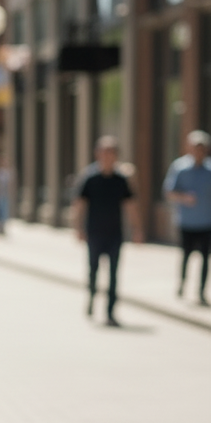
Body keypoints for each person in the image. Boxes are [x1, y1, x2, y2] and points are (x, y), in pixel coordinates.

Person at [73, 136, 143, 326]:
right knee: (93, 270)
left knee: (113, 274)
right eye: (104, 152)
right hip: (94, 232)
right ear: (97, 154)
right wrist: (78, 228)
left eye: (111, 153)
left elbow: (130, 205)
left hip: (115, 234)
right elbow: (79, 204)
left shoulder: (121, 180)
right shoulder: (90, 178)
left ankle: (110, 312)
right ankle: (92, 297)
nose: (107, 156)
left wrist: (137, 229)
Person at [163, 129, 211, 306]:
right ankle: (182, 284)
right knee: (186, 256)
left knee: (205, 259)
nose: (199, 151)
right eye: (196, 147)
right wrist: (184, 198)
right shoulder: (180, 167)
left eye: (202, 147)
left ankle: (201, 291)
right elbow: (169, 192)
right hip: (186, 221)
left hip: (206, 221)